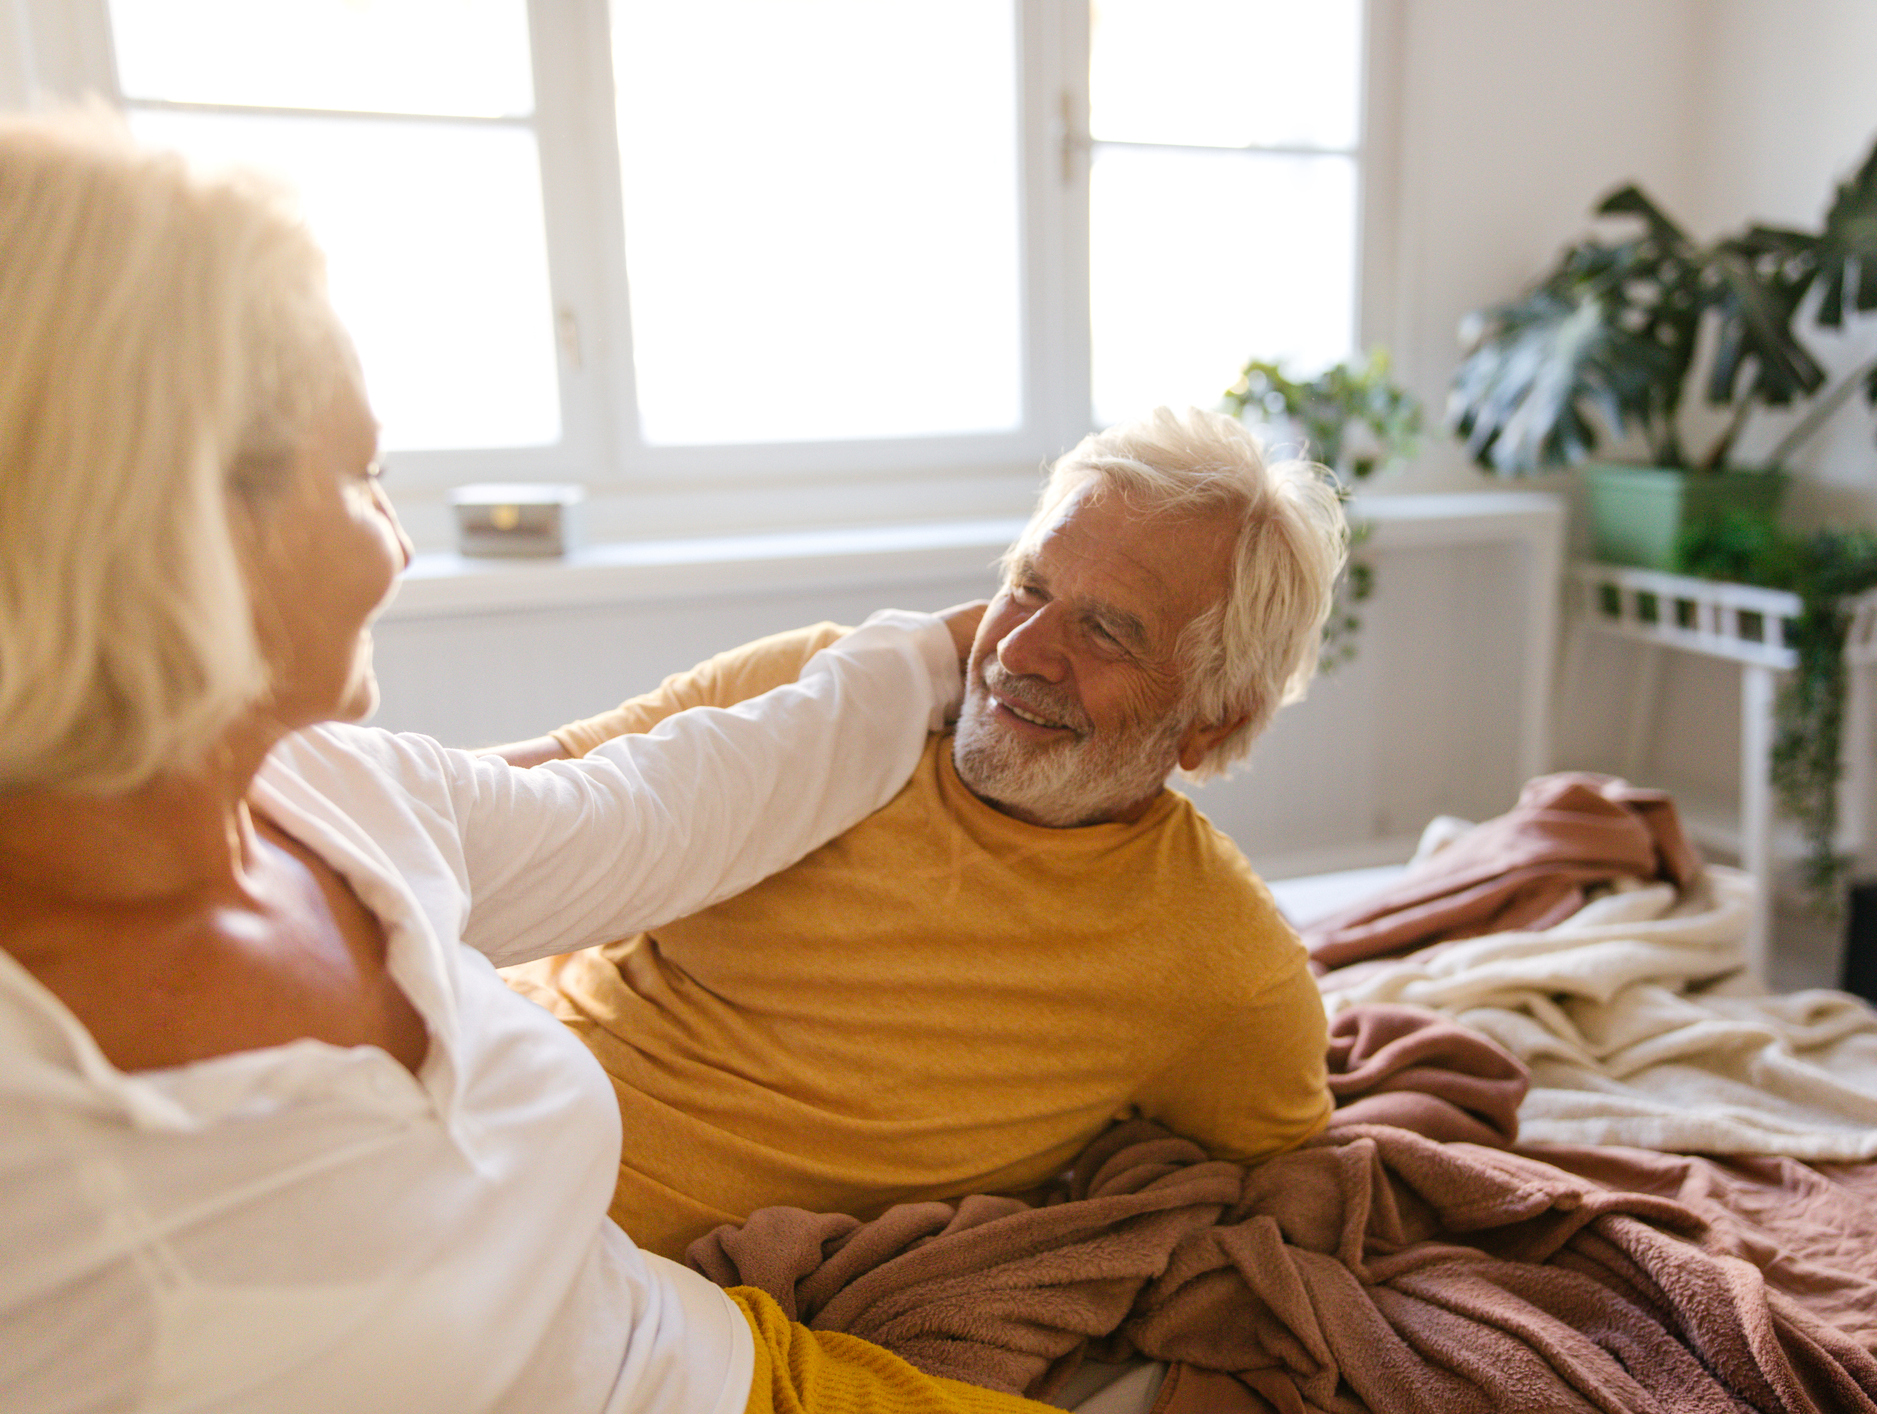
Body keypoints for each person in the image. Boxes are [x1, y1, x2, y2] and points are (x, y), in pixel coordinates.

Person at [0, 113, 1056, 1414]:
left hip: (740, 1375)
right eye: (364, 478)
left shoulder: (337, 792)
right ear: (183, 533)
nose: (396, 546)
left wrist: (952, 647)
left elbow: (663, 805)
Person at [497, 407, 1350, 1260]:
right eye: (1029, 586)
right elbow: (499, 802)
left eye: (1105, 631)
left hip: (559, 1258)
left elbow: (1298, 1171)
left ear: (1210, 721)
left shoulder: (1220, 966)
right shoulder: (824, 687)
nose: (1019, 651)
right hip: (467, 1066)